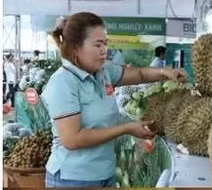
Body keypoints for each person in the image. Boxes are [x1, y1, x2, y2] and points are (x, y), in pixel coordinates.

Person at [42, 12, 187, 187]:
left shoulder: (104, 73)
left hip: (104, 174)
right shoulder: (63, 83)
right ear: (75, 48)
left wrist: (166, 72)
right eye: (97, 45)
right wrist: (125, 129)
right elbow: (72, 139)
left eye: (105, 44)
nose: (104, 50)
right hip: (72, 179)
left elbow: (140, 74)